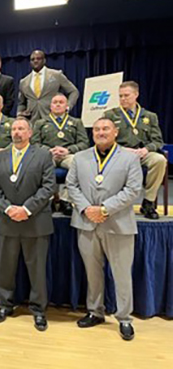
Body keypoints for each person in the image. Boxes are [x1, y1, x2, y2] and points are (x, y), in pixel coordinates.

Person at [67, 117, 142, 341]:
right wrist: (86, 209)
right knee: (92, 272)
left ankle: (125, 318)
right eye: (97, 129)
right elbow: (71, 186)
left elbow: (133, 190)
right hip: (86, 222)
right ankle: (95, 311)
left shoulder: (129, 158)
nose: (101, 132)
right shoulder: (80, 158)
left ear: (115, 132)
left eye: (106, 128)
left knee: (121, 274)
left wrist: (105, 209)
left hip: (118, 225)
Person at [0, 118, 55, 331]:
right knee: (5, 268)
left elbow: (48, 187)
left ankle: (38, 310)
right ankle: (5, 305)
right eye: (14, 129)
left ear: (30, 132)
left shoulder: (43, 155)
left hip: (35, 221)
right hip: (7, 221)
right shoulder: (0, 157)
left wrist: (26, 209)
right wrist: (8, 208)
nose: (16, 132)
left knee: (37, 270)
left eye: (21, 129)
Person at [103, 81, 167, 220]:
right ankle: (114, 203)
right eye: (120, 96)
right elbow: (104, 140)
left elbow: (157, 141)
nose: (123, 99)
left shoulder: (149, 116)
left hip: (142, 153)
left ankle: (149, 202)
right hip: (119, 153)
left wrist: (146, 149)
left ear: (136, 95)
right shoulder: (110, 115)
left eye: (126, 95)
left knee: (160, 160)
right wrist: (121, 149)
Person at [31, 94, 89, 215]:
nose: (58, 104)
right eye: (55, 102)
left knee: (77, 163)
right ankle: (49, 200)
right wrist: (48, 150)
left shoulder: (76, 122)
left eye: (61, 102)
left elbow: (84, 143)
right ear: (50, 106)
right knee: (42, 164)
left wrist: (68, 150)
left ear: (67, 106)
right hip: (47, 154)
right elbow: (34, 143)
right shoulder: (40, 123)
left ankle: (65, 200)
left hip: (67, 155)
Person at [18, 50, 79, 124]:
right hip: (32, 122)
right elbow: (21, 103)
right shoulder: (24, 81)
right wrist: (19, 115)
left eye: (38, 58)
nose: (35, 61)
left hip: (53, 120)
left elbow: (73, 91)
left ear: (44, 60)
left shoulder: (56, 75)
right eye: (32, 59)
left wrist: (67, 107)